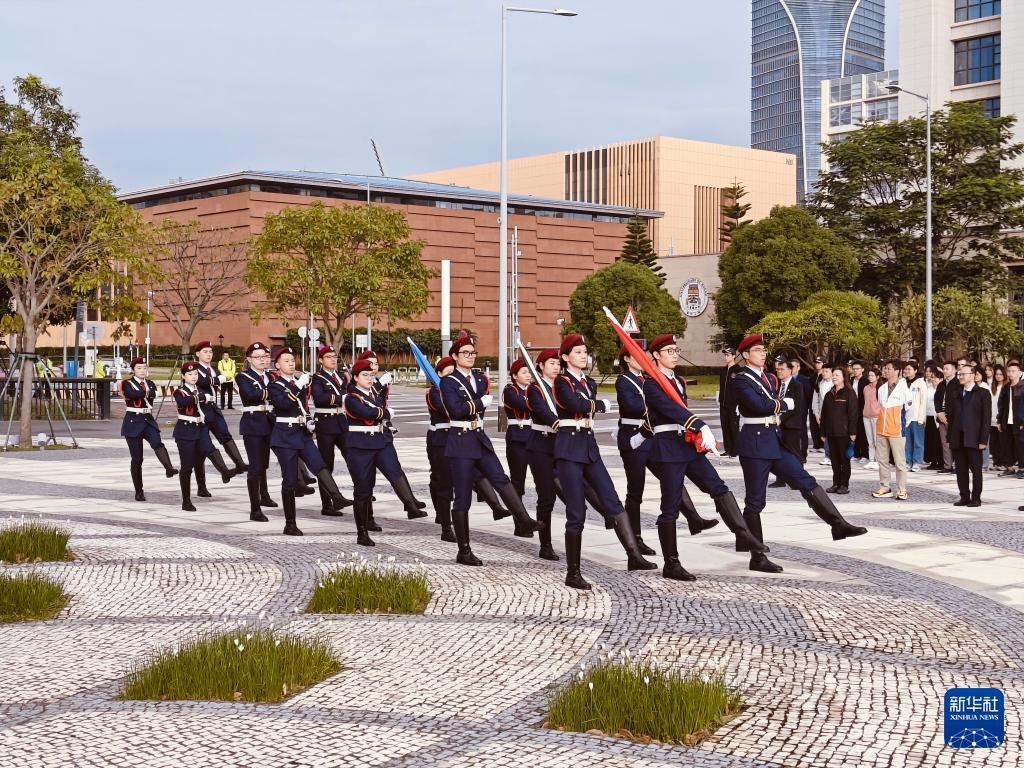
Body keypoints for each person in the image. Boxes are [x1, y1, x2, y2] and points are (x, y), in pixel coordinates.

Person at [732, 334, 867, 568]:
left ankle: (837, 524)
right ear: (745, 355)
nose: (763, 354)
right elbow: (760, 405)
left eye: (764, 350)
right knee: (755, 501)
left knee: (806, 480)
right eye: (757, 350)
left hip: (773, 441)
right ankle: (757, 557)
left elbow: (769, 404)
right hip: (754, 444)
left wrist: (778, 405)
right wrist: (784, 404)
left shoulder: (767, 378)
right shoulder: (741, 379)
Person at [642, 335, 766, 576]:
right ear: (656, 355)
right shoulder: (651, 383)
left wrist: (696, 431)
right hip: (668, 449)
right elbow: (669, 409)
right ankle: (671, 564)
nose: (675, 355)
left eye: (676, 350)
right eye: (669, 351)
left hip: (687, 446)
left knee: (718, 487)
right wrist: (698, 424)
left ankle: (743, 534)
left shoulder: (678, 380)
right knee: (670, 506)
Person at [553, 334, 655, 588]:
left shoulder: (588, 382)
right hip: (569, 449)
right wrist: (596, 404)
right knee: (576, 512)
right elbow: (573, 403)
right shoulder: (562, 382)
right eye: (577, 352)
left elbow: (584, 404)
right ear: (565, 357)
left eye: (584, 351)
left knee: (612, 500)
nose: (583, 355)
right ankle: (573, 573)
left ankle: (633, 555)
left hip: (589, 447)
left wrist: (591, 404)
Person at [440, 333, 541, 566]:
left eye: (472, 353)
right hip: (460, 440)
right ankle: (464, 550)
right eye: (465, 353)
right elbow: (455, 410)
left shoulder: (479, 378)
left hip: (479, 438)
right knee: (462, 497)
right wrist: (478, 403)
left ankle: (523, 519)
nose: (470, 356)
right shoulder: (448, 382)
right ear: (454, 356)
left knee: (500, 478)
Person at [615, 345, 720, 552]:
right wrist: (658, 406)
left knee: (672, 478)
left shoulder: (649, 379)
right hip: (634, 437)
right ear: (626, 359)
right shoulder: (624, 380)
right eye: (637, 357)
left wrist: (662, 407)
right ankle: (636, 539)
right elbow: (632, 406)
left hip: (653, 436)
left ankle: (693, 518)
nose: (643, 360)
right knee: (635, 490)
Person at [268, 347, 352, 537]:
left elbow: (302, 407)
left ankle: (336, 497)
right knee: (290, 480)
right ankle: (290, 524)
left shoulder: (298, 382)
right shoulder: (275, 386)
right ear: (277, 365)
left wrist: (307, 420)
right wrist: (298, 386)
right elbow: (283, 404)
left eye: (292, 360)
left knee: (320, 465)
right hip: (285, 436)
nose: (291, 363)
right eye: (286, 361)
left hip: (302, 433)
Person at [173, 361, 238, 512]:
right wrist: (202, 397)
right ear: (183, 376)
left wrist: (205, 397)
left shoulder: (201, 390)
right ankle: (186, 500)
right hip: (185, 431)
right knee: (187, 466)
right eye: (190, 374)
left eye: (195, 374)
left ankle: (225, 472)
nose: (193, 376)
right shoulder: (180, 391)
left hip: (200, 428)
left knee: (210, 449)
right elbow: (184, 401)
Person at [120, 356, 178, 501]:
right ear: (133, 370)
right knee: (137, 459)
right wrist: (147, 392)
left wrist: (147, 392)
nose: (142, 370)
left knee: (158, 443)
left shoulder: (150, 383)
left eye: (144, 368)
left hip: (148, 420)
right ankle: (139, 491)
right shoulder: (127, 383)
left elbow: (152, 394)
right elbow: (132, 394)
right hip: (133, 421)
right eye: (139, 368)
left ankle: (169, 468)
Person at [235, 342, 277, 522]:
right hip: (253, 424)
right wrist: (273, 392)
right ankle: (255, 509)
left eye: (265, 356)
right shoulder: (243, 376)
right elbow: (250, 394)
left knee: (264, 464)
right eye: (258, 357)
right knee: (255, 466)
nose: (262, 360)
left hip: (270, 422)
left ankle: (264, 495)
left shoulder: (271, 376)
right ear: (249, 359)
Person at [193, 341, 248, 478]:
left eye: (210, 352)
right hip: (200, 409)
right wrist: (217, 379)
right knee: (203, 447)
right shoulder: (194, 368)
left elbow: (214, 380)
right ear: (198, 354)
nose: (209, 354)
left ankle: (239, 463)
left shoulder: (212, 369)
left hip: (213, 407)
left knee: (225, 435)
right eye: (205, 352)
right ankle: (219, 474)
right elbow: (202, 381)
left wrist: (218, 378)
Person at [310, 345, 354, 517]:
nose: (333, 360)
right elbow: (319, 398)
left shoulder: (342, 376)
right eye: (328, 357)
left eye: (334, 356)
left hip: (341, 422)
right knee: (327, 465)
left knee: (353, 458)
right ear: (321, 360)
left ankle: (361, 493)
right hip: (326, 424)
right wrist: (340, 397)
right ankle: (327, 504)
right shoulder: (318, 378)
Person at [947, 363, 990, 507]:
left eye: (963, 374)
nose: (960, 376)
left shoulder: (983, 393)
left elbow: (986, 419)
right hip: (958, 437)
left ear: (972, 375)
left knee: (976, 470)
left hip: (974, 438)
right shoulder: (956, 393)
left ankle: (976, 498)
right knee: (961, 470)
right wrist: (949, 437)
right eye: (959, 374)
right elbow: (951, 417)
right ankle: (964, 496)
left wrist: (983, 439)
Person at [426, 356, 458, 544]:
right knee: (440, 479)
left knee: (449, 479)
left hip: (455, 438)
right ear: (438, 374)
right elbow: (449, 410)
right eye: (448, 373)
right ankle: (445, 522)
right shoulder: (434, 392)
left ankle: (443, 513)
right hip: (439, 439)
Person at [872, 360, 911, 501]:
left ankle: (902, 489)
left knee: (900, 462)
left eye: (889, 369)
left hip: (896, 430)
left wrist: (901, 424)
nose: (886, 371)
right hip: (881, 429)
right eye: (885, 368)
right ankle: (885, 487)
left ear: (897, 371)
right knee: (882, 460)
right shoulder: (881, 389)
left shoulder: (904, 389)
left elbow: (909, 411)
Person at [820, 367, 859, 494]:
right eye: (834, 375)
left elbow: (853, 414)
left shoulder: (849, 393)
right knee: (834, 460)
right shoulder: (829, 394)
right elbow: (824, 414)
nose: (834, 377)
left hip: (844, 433)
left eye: (837, 375)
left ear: (844, 377)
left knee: (844, 460)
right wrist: (823, 432)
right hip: (831, 433)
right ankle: (836, 483)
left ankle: (844, 485)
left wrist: (852, 432)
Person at [502, 359, 533, 499]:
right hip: (517, 437)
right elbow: (522, 405)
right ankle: (517, 512)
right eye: (524, 372)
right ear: (515, 376)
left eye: (529, 372)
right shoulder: (510, 390)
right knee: (518, 479)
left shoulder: (533, 390)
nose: (528, 375)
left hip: (534, 436)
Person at [934, 360, 958, 474]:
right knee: (945, 443)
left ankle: (958, 465)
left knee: (956, 442)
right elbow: (937, 399)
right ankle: (948, 465)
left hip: (954, 418)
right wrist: (939, 412)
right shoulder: (941, 384)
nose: (945, 371)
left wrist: (948, 413)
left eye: (947, 368)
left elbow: (958, 402)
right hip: (942, 417)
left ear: (954, 370)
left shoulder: (958, 383)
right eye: (944, 369)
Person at [903, 361, 927, 472]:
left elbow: (923, 401)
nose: (907, 371)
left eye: (909, 369)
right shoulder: (903, 383)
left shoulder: (920, 383)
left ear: (915, 370)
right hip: (906, 418)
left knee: (918, 442)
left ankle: (917, 462)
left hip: (917, 417)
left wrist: (921, 418)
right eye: (906, 369)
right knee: (907, 442)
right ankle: (908, 462)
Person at [718, 347, 741, 457]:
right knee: (725, 426)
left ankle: (735, 450)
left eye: (728, 355)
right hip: (723, 403)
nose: (726, 357)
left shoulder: (738, 370)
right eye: (725, 355)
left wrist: (739, 403)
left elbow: (740, 388)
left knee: (733, 426)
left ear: (733, 356)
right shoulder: (723, 370)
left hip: (734, 404)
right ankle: (728, 448)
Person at [812, 361, 833, 466]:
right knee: (825, 435)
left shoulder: (835, 384)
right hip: (822, 413)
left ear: (832, 372)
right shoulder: (819, 383)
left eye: (826, 371)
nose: (824, 373)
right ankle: (827, 456)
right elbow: (815, 400)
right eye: (823, 371)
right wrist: (816, 413)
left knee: (833, 435)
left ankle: (833, 457)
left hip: (834, 414)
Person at [849, 360, 869, 461]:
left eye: (857, 369)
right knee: (854, 431)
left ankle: (865, 454)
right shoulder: (851, 380)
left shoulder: (866, 381)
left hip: (863, 408)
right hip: (853, 409)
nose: (855, 371)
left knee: (863, 432)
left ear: (862, 369)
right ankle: (856, 454)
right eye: (854, 369)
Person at [990, 364, 1009, 472]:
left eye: (1001, 374)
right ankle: (996, 462)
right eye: (996, 374)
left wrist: (1000, 419)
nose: (998, 376)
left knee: (1003, 442)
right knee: (994, 443)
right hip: (992, 419)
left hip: (1001, 419)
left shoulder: (1006, 387)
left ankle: (1004, 463)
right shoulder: (992, 387)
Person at [923, 364, 942, 470]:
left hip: (937, 417)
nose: (933, 379)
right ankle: (933, 461)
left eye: (936, 377)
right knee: (930, 440)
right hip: (928, 416)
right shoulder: (928, 388)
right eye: (933, 377)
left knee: (938, 440)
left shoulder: (941, 389)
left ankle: (940, 461)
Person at [861, 368, 880, 471]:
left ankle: (878, 460)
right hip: (866, 416)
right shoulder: (866, 388)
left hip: (876, 416)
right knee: (870, 440)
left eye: (872, 375)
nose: (870, 377)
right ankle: (871, 460)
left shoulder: (880, 388)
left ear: (877, 377)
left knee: (877, 440)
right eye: (869, 375)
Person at [809, 356, 827, 452]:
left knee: (822, 424)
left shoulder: (825, 376)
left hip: (822, 403)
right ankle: (816, 445)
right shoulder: (813, 376)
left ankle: (823, 445)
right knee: (813, 425)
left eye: (819, 363)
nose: (817, 364)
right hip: (813, 402)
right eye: (816, 362)